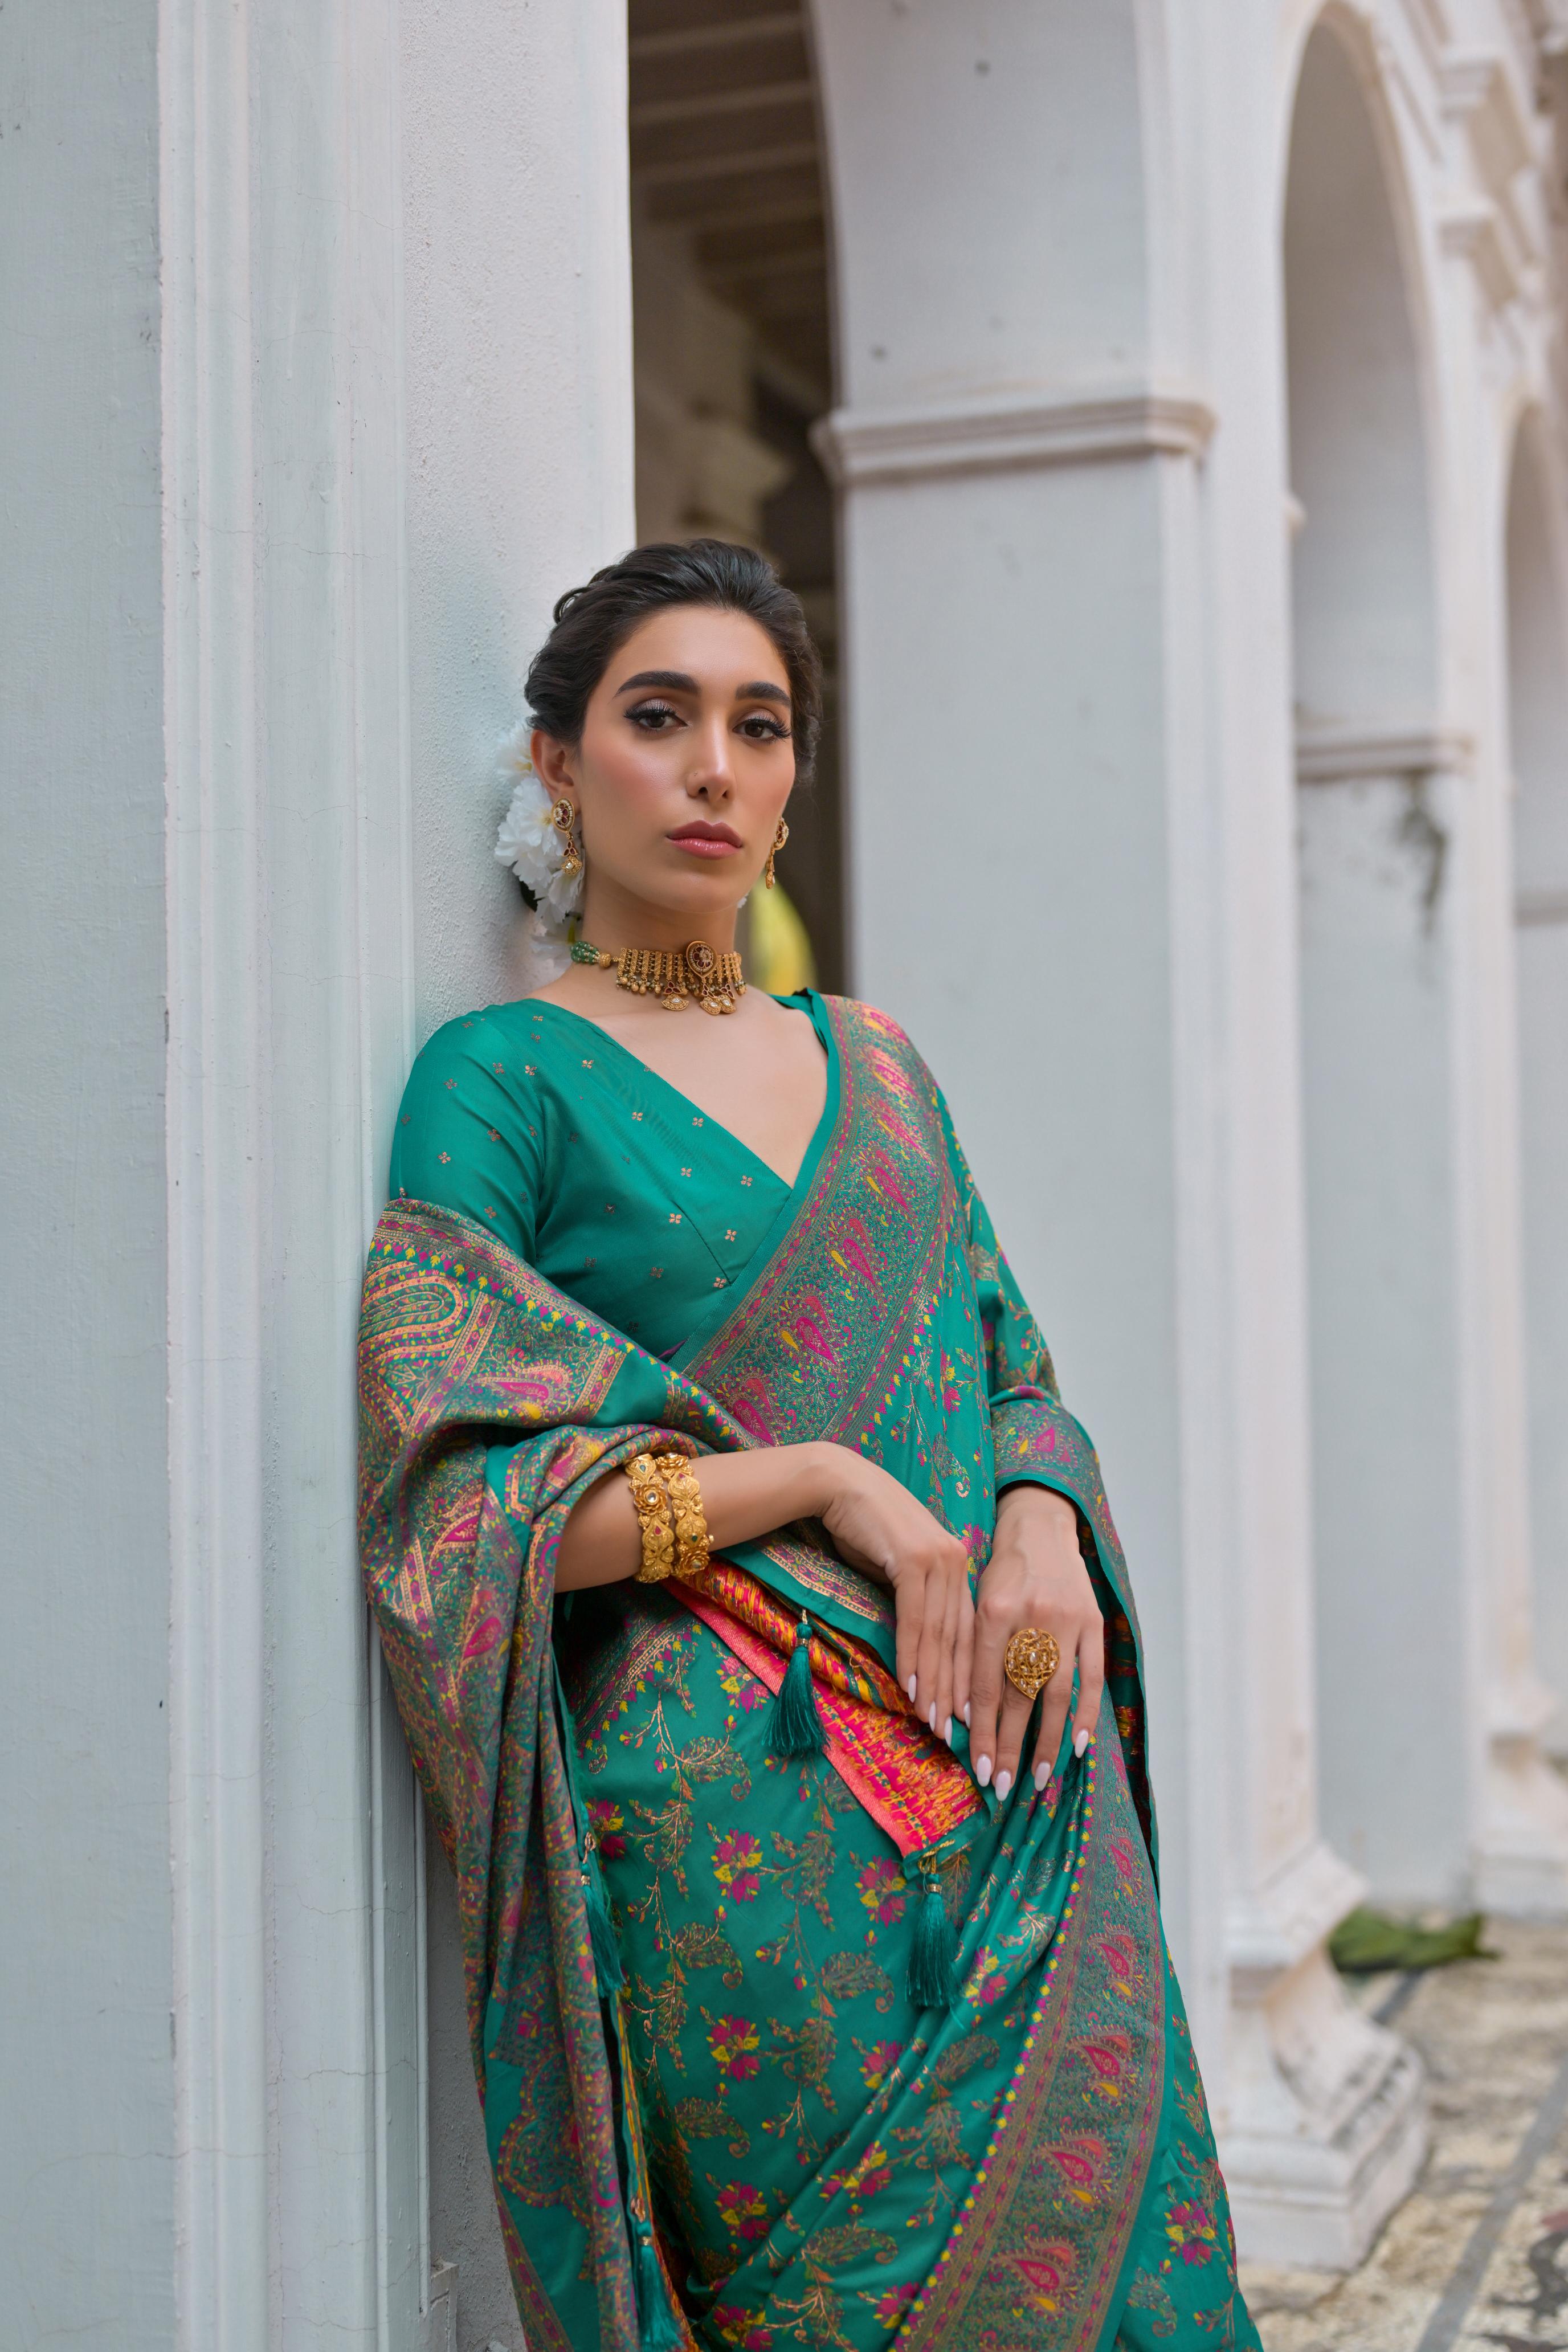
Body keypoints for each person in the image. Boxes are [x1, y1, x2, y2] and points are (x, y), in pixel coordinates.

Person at [358, 540, 1261, 2351]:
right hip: (736, 1834)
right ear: (558, 765)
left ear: (790, 783)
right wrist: (832, 1484)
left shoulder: (882, 1064)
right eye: (659, 717)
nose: (714, 767)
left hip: (1012, 1743)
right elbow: (463, 1515)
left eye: (758, 727)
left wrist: (1040, 1522)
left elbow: (1011, 1367)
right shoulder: (499, 1079)